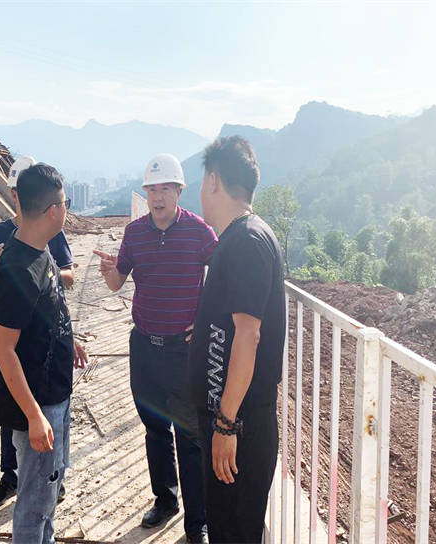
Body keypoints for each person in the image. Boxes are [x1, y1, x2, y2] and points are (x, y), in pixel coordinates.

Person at [93, 153, 216, 544]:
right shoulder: (134, 233)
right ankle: (165, 500)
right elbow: (118, 283)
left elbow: (222, 275)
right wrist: (110, 271)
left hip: (183, 351)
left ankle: (197, 522)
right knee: (155, 429)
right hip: (144, 346)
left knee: (189, 437)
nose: (157, 197)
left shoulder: (198, 232)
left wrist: (207, 317)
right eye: (151, 190)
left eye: (165, 189)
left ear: (179, 191)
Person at [188, 136, 285, 543]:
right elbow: (232, 324)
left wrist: (226, 425)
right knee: (227, 528)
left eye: (202, 181)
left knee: (234, 533)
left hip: (240, 426)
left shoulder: (246, 241)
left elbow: (249, 335)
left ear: (213, 181)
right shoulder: (237, 238)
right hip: (230, 420)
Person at [0, 163, 88, 544]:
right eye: (64, 203)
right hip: (40, 404)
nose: (66, 209)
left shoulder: (40, 249)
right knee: (33, 505)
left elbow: (49, 307)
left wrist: (68, 338)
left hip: (54, 395)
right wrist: (34, 416)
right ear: (52, 211)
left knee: (48, 494)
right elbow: (5, 352)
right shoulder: (18, 269)